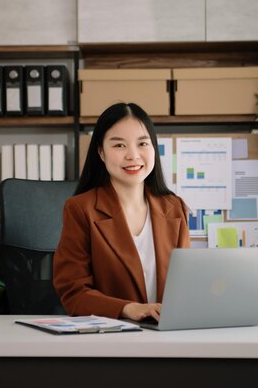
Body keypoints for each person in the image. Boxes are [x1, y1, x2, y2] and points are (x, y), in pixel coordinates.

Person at [53, 102, 190, 322]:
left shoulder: (174, 208)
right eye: (119, 146)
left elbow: (187, 285)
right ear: (101, 152)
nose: (133, 155)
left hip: (167, 335)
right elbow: (74, 293)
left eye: (142, 143)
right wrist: (128, 308)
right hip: (110, 338)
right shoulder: (81, 209)